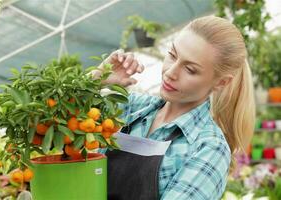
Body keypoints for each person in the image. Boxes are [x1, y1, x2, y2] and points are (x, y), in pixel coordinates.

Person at [94, 16, 255, 200]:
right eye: (172, 55)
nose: (170, 73)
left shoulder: (207, 147)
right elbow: (56, 124)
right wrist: (96, 79)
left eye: (190, 70)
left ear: (221, 82)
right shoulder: (130, 108)